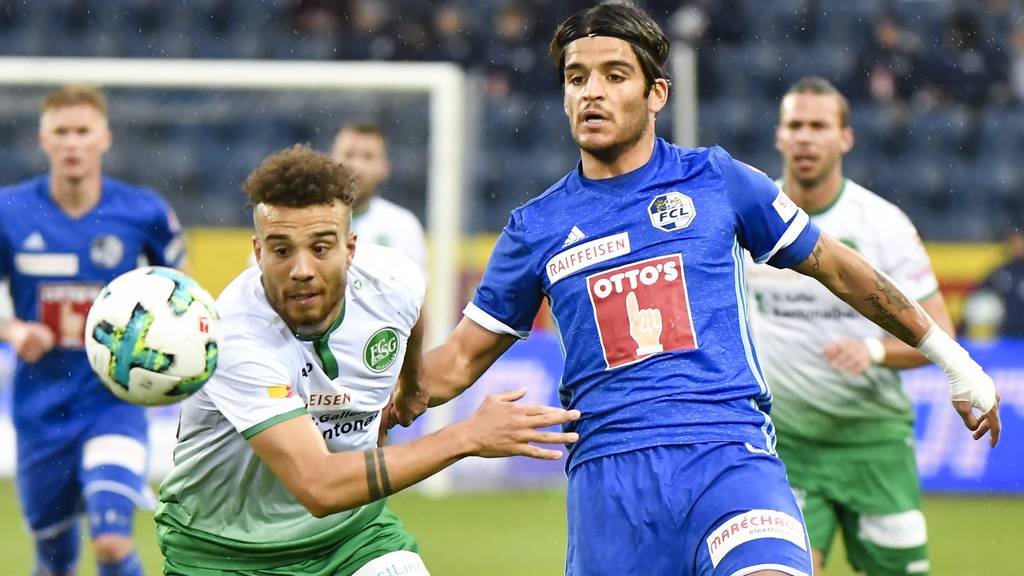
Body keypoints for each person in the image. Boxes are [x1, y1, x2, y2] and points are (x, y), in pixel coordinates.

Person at [389, 3, 1002, 576]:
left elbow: (839, 268)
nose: (591, 92)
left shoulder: (717, 180)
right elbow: (459, 360)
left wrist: (955, 362)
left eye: (614, 75)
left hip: (728, 455)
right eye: (576, 78)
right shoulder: (536, 227)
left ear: (657, 93)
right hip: (610, 484)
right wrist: (374, 399)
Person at [154, 144, 579, 576]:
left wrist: (412, 386)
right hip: (223, 554)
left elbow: (412, 320)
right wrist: (466, 436)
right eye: (282, 251)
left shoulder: (392, 281)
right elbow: (318, 485)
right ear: (258, 252)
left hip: (353, 538)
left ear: (350, 248)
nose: (302, 269)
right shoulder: (233, 335)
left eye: (320, 248)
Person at [745, 77, 957, 576]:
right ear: (779, 136)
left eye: (819, 126)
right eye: (795, 125)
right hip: (786, 445)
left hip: (874, 444)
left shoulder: (883, 225)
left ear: (845, 139)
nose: (805, 137)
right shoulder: (752, 221)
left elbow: (941, 332)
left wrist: (876, 351)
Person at [0, 85, 187, 576]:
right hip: (40, 408)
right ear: (44, 139)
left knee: (109, 541)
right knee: (55, 559)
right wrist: (13, 329)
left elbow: (183, 297)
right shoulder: (10, 211)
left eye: (82, 131)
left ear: (104, 138)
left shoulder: (143, 213)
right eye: (61, 132)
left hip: (112, 401)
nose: (72, 143)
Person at [330, 122, 426, 271]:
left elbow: (414, 291)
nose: (357, 166)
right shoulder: (309, 221)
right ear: (331, 162)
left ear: (384, 167)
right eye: (348, 155)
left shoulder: (404, 227)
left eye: (368, 157)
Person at [964, 228, 1024, 339]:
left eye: (1020, 242)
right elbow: (978, 296)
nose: (1018, 247)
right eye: (1014, 243)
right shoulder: (1001, 272)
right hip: (1006, 334)